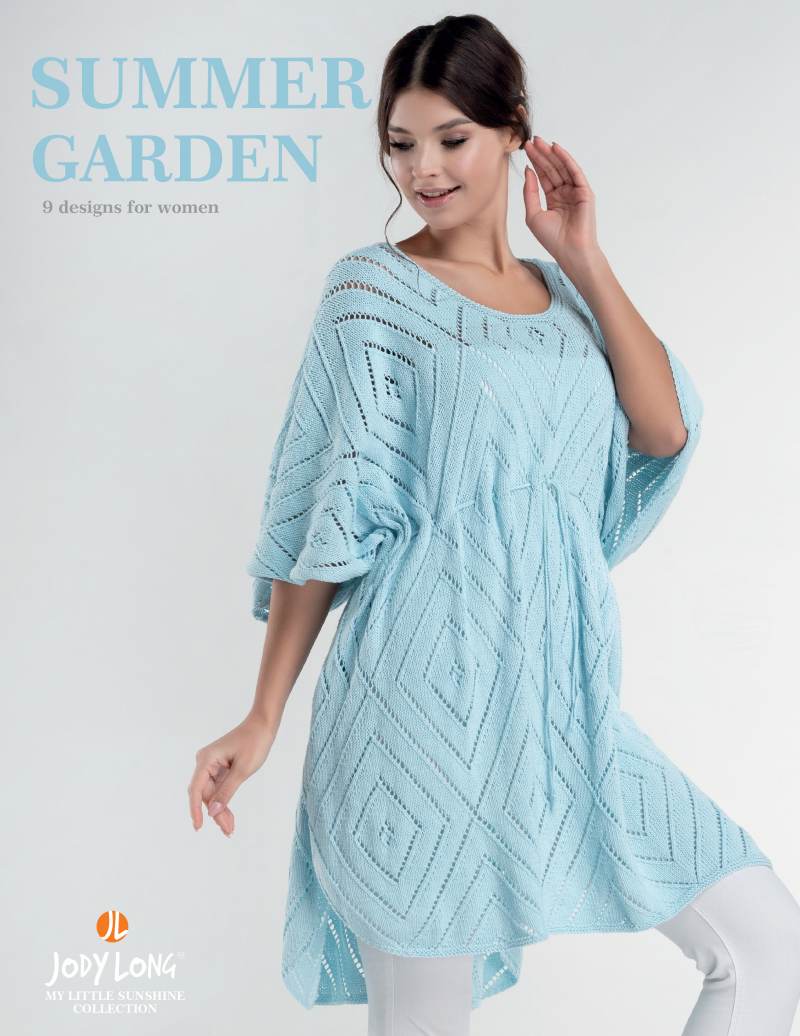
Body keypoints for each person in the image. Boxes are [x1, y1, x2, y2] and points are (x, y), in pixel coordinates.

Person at [187, 14, 800, 1036]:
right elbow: (321, 518)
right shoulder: (372, 294)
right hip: (411, 713)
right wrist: (261, 715)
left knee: (766, 946)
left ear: (515, 129)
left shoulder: (568, 301)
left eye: (451, 138)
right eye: (400, 143)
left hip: (563, 711)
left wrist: (583, 256)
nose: (422, 169)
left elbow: (660, 428)